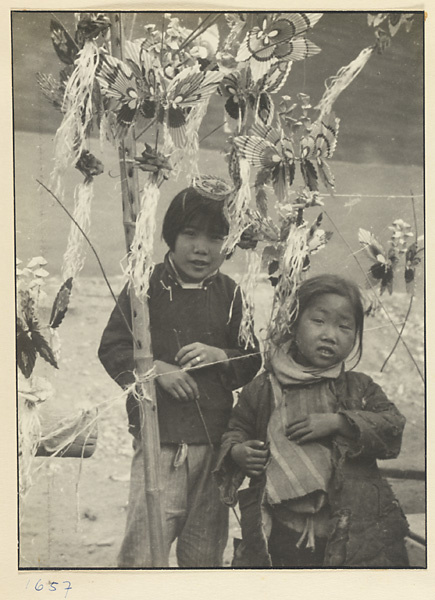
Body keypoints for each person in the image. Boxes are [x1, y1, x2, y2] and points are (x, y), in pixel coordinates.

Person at [98, 180, 261, 568]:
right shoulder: (144, 286)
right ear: (171, 235)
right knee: (146, 545)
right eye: (190, 234)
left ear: (230, 243)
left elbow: (251, 358)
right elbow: (113, 348)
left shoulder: (231, 293)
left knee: (204, 548)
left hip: (215, 442)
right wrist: (154, 370)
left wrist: (220, 355)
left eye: (216, 237)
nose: (201, 248)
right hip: (161, 436)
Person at [215, 274, 409, 567]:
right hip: (279, 530)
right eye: (318, 321)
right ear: (294, 324)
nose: (330, 334)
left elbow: (392, 427)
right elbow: (236, 429)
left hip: (348, 533)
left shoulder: (359, 387)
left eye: (345, 326)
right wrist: (238, 452)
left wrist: (340, 423)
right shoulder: (264, 387)